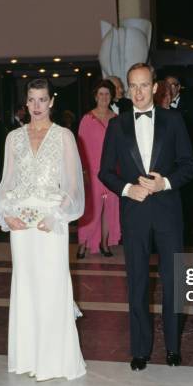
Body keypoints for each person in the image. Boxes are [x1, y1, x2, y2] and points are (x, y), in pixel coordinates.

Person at [99, 63, 193, 371]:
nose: (138, 92)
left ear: (155, 87)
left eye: (144, 85)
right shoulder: (117, 125)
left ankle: (172, 348)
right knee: (138, 283)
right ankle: (140, 349)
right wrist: (128, 189)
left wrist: (163, 183)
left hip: (168, 212)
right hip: (135, 214)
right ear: (127, 90)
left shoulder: (174, 120)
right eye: (133, 86)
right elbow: (104, 171)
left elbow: (189, 165)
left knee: (172, 282)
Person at [0, 78, 86, 381]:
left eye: (42, 99)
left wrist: (56, 216)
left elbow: (72, 184)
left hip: (50, 221)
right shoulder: (13, 138)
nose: (37, 106)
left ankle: (55, 361)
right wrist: (4, 214)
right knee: (26, 286)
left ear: (51, 101)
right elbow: (8, 182)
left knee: (53, 284)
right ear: (26, 103)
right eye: (32, 100)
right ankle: (28, 358)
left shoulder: (64, 136)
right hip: (21, 224)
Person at [76, 80, 121, 259]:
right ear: (95, 96)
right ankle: (82, 243)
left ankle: (105, 243)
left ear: (111, 97)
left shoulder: (117, 120)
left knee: (109, 208)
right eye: (101, 94)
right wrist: (83, 172)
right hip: (92, 171)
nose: (104, 97)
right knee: (91, 209)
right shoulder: (87, 119)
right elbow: (80, 147)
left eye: (107, 94)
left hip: (112, 172)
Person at [165, 75, 193, 241]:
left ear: (179, 87)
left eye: (173, 85)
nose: (170, 90)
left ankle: (184, 236)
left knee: (185, 204)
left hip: (185, 164)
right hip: (165, 168)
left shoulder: (192, 106)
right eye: (167, 86)